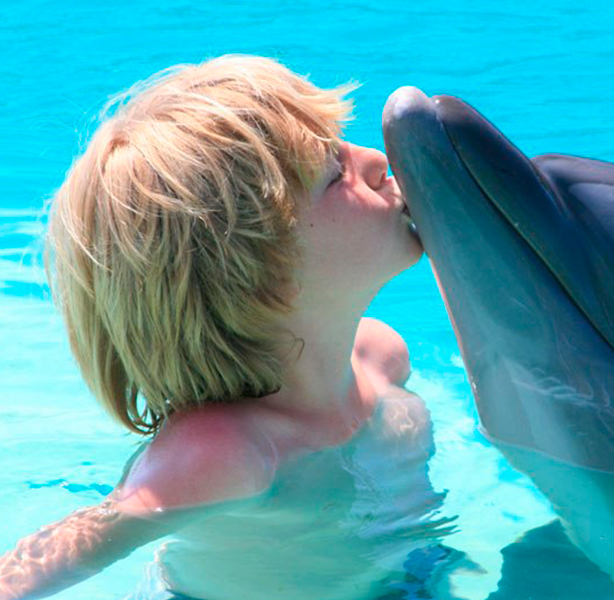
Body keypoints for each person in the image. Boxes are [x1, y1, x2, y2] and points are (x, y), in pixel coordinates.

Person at [0, 55, 451, 600]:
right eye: (335, 176)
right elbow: (67, 552)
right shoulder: (222, 452)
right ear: (259, 277)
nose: (377, 160)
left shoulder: (383, 357)